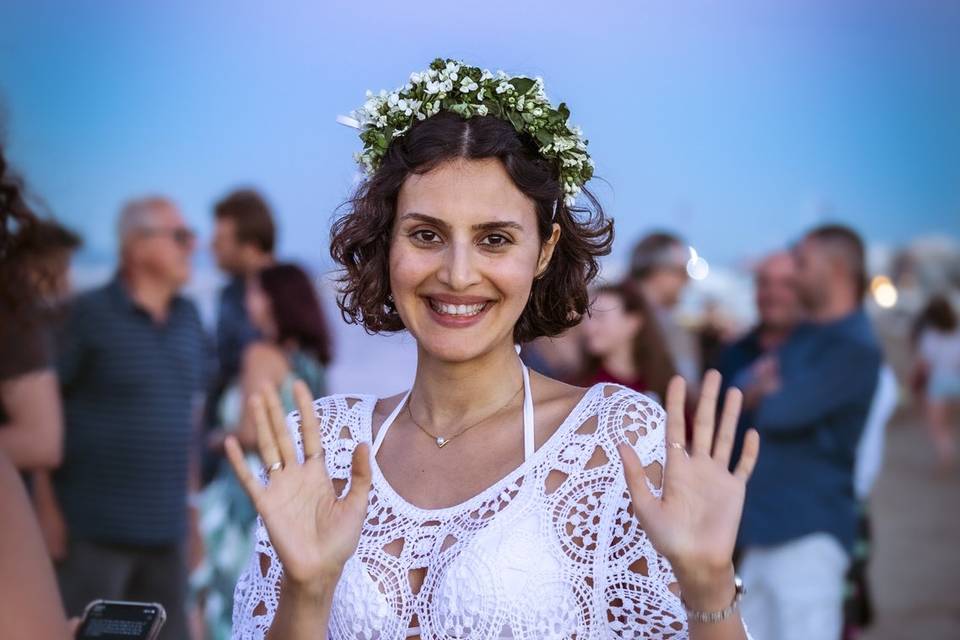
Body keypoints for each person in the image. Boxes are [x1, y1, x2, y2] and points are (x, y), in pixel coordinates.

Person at [228, 58, 759, 639]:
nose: (457, 274)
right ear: (387, 243)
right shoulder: (323, 447)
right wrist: (306, 592)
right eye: (426, 235)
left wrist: (709, 588)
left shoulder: (613, 445)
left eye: (494, 239)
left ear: (544, 250)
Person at [45, 196, 207, 640]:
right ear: (137, 247)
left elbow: (189, 424)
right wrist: (44, 509)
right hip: (92, 535)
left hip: (167, 537)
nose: (191, 246)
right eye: (179, 236)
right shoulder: (85, 314)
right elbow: (44, 413)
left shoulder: (191, 318)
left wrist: (192, 516)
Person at [735, 225, 882, 640]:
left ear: (836, 270)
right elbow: (742, 386)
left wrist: (766, 390)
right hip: (764, 529)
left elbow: (780, 411)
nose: (793, 274)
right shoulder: (806, 336)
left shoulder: (855, 348)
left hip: (808, 534)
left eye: (802, 263)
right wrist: (764, 389)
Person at [191, 263, 331, 640]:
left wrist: (216, 437)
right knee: (270, 601)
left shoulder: (259, 354)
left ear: (273, 300)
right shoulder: (310, 360)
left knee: (229, 600)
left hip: (244, 491)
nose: (248, 301)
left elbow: (251, 432)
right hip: (292, 489)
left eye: (254, 292)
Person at [205, 189, 278, 484]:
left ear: (249, 245)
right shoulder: (229, 293)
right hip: (226, 448)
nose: (211, 247)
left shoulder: (286, 294)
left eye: (220, 240)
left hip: (270, 448)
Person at [716, 251, 803, 467]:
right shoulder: (731, 353)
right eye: (764, 283)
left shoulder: (817, 357)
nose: (773, 293)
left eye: (787, 284)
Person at [629, 231, 702, 391]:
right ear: (657, 271)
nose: (687, 281)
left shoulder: (616, 314)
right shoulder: (623, 318)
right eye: (682, 271)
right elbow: (688, 391)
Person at [581, 280, 676, 402]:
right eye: (588, 317)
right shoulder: (580, 386)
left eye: (600, 317)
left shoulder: (663, 381)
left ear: (633, 323)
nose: (589, 327)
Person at [912, 294, 960, 471]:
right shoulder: (957, 334)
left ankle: (945, 456)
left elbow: (924, 364)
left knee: (937, 427)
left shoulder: (930, 336)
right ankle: (949, 451)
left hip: (938, 383)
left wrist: (916, 382)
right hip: (957, 382)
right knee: (949, 424)